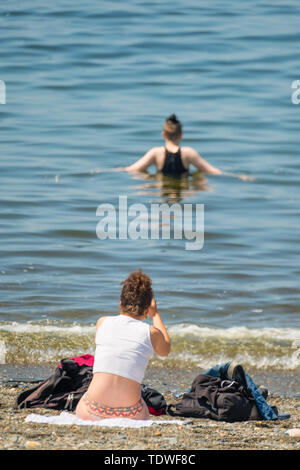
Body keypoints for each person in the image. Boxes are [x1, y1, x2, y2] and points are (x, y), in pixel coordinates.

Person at [75, 270, 171, 421]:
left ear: (120, 304)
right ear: (146, 310)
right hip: (130, 414)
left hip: (91, 409)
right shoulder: (151, 332)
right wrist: (155, 315)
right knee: (144, 404)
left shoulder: (102, 322)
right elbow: (165, 350)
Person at [124, 114, 252, 180]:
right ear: (181, 135)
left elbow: (132, 169)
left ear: (163, 134)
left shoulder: (156, 153)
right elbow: (212, 171)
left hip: (161, 191)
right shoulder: (188, 153)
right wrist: (237, 176)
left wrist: (107, 171)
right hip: (183, 191)